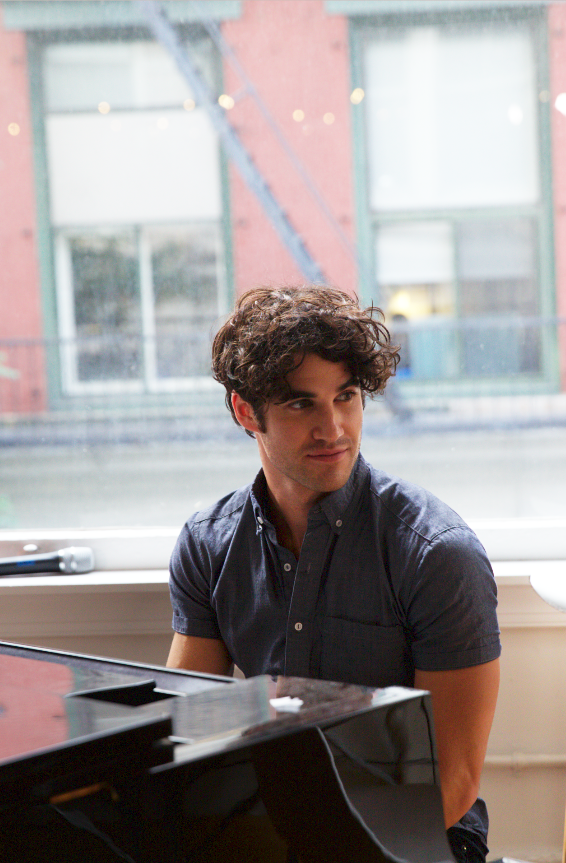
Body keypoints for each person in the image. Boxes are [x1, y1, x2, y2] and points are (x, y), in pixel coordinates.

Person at [166, 285, 501, 863]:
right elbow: (190, 733)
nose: (334, 428)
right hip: (269, 827)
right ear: (246, 412)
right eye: (302, 404)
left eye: (345, 397)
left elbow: (454, 782)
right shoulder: (208, 544)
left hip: (416, 831)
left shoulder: (438, 554)